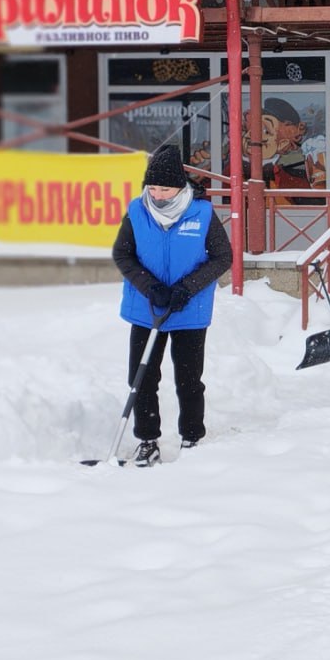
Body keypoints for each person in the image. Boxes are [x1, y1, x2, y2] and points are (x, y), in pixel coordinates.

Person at [112, 144, 233, 466]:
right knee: (142, 378)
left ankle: (191, 437)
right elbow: (123, 254)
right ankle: (147, 440)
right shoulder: (137, 211)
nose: (158, 195)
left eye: (165, 189)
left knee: (188, 379)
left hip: (188, 310)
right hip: (146, 308)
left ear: (180, 187)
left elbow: (223, 257)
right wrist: (149, 286)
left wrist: (186, 289)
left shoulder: (201, 213)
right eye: (152, 188)